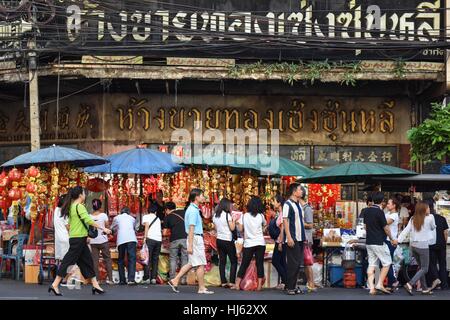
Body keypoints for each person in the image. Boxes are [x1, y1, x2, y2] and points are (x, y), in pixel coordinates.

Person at [49, 187, 112, 296]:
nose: (85, 195)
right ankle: (55, 284)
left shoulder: (72, 207)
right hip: (78, 239)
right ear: (80, 195)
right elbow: (88, 220)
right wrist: (103, 228)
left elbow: (70, 224)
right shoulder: (80, 207)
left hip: (78, 238)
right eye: (84, 193)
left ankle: (95, 285)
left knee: (88, 262)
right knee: (68, 262)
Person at [168, 188, 214, 294]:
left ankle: (175, 280)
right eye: (202, 195)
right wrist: (190, 244)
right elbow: (191, 228)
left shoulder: (192, 209)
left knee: (191, 263)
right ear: (196, 197)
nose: (203, 197)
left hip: (194, 238)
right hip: (195, 238)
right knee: (201, 263)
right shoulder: (193, 210)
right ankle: (201, 287)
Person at [395, 201, 437, 295]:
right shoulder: (430, 218)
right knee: (425, 268)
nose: (429, 209)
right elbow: (433, 227)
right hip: (423, 246)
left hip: (413, 246)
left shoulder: (413, 218)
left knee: (421, 267)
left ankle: (425, 288)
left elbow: (406, 230)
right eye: (428, 208)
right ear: (423, 209)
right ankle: (410, 284)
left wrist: (398, 240)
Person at [363, 192, 395, 295]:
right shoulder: (380, 212)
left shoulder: (366, 210)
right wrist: (391, 238)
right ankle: (379, 284)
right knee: (387, 263)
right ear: (382, 201)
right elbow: (386, 228)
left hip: (369, 241)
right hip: (379, 241)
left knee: (372, 264)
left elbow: (365, 227)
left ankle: (372, 288)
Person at [234, 196, 267, 291]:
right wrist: (262, 229)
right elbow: (265, 226)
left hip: (249, 243)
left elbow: (240, 229)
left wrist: (236, 223)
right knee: (259, 264)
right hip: (260, 243)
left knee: (244, 263)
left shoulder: (244, 216)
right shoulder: (261, 216)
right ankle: (260, 285)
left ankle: (237, 284)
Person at [283, 183, 306, 295]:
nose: (301, 191)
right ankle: (290, 287)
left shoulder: (298, 204)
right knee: (293, 263)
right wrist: (289, 237)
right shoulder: (287, 204)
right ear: (294, 191)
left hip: (300, 237)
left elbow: (300, 221)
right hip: (293, 237)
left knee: (298, 263)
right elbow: (285, 221)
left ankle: (293, 285)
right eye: (299, 190)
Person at [212, 197, 238, 289]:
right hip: (228, 240)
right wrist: (234, 220)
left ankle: (223, 282)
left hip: (219, 240)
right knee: (233, 261)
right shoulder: (227, 215)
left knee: (222, 261)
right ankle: (231, 281)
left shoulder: (215, 215)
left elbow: (215, 228)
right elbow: (232, 228)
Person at [424, 198, 449, 290]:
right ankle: (445, 285)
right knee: (443, 264)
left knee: (432, 264)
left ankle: (435, 282)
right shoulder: (441, 218)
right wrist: (444, 242)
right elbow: (445, 232)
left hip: (430, 244)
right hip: (441, 244)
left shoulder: (425, 219)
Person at [111, 207, 138, 285]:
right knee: (132, 259)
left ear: (120, 212)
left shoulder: (116, 218)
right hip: (131, 239)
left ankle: (122, 280)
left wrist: (114, 230)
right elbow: (135, 228)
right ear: (128, 212)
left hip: (121, 240)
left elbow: (112, 228)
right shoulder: (132, 218)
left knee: (121, 259)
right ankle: (131, 279)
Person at [89, 199, 113, 285]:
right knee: (107, 259)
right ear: (100, 206)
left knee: (95, 261)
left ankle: (97, 280)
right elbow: (107, 226)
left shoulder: (89, 216)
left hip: (93, 241)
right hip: (103, 240)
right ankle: (110, 279)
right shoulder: (103, 215)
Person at [163, 202, 188, 285]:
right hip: (185, 238)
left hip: (174, 239)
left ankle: (172, 279)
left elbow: (165, 233)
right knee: (185, 259)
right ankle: (183, 280)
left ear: (167, 209)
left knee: (173, 258)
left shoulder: (168, 217)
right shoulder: (184, 213)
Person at [299, 186, 316, 292]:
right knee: (306, 262)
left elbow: (310, 225)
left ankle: (311, 283)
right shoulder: (301, 208)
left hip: (306, 239)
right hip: (302, 238)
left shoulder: (307, 208)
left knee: (307, 262)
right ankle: (310, 283)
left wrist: (299, 222)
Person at [142, 205, 163, 285]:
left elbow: (146, 226)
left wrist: (145, 237)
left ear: (148, 210)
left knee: (147, 259)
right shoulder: (158, 219)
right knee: (155, 259)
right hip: (158, 240)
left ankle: (146, 278)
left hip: (150, 239)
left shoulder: (146, 216)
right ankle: (153, 278)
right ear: (156, 212)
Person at [270, 194, 287, 290]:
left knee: (275, 261)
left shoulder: (282, 213)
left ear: (279, 203)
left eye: (274, 201)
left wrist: (280, 242)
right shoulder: (280, 213)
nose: (273, 203)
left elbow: (282, 229)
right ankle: (285, 282)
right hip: (280, 241)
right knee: (282, 262)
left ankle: (287, 281)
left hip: (280, 241)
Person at [384, 197, 400, 289]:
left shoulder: (394, 215)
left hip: (391, 241)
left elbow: (384, 223)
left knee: (387, 262)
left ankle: (393, 281)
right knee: (385, 262)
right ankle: (391, 283)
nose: (387, 205)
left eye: (389, 203)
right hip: (386, 240)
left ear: (394, 205)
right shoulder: (387, 213)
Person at [54, 195, 69, 262]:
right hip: (65, 238)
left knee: (61, 260)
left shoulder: (56, 210)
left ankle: (60, 272)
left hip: (58, 238)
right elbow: (68, 227)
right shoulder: (64, 212)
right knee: (66, 260)